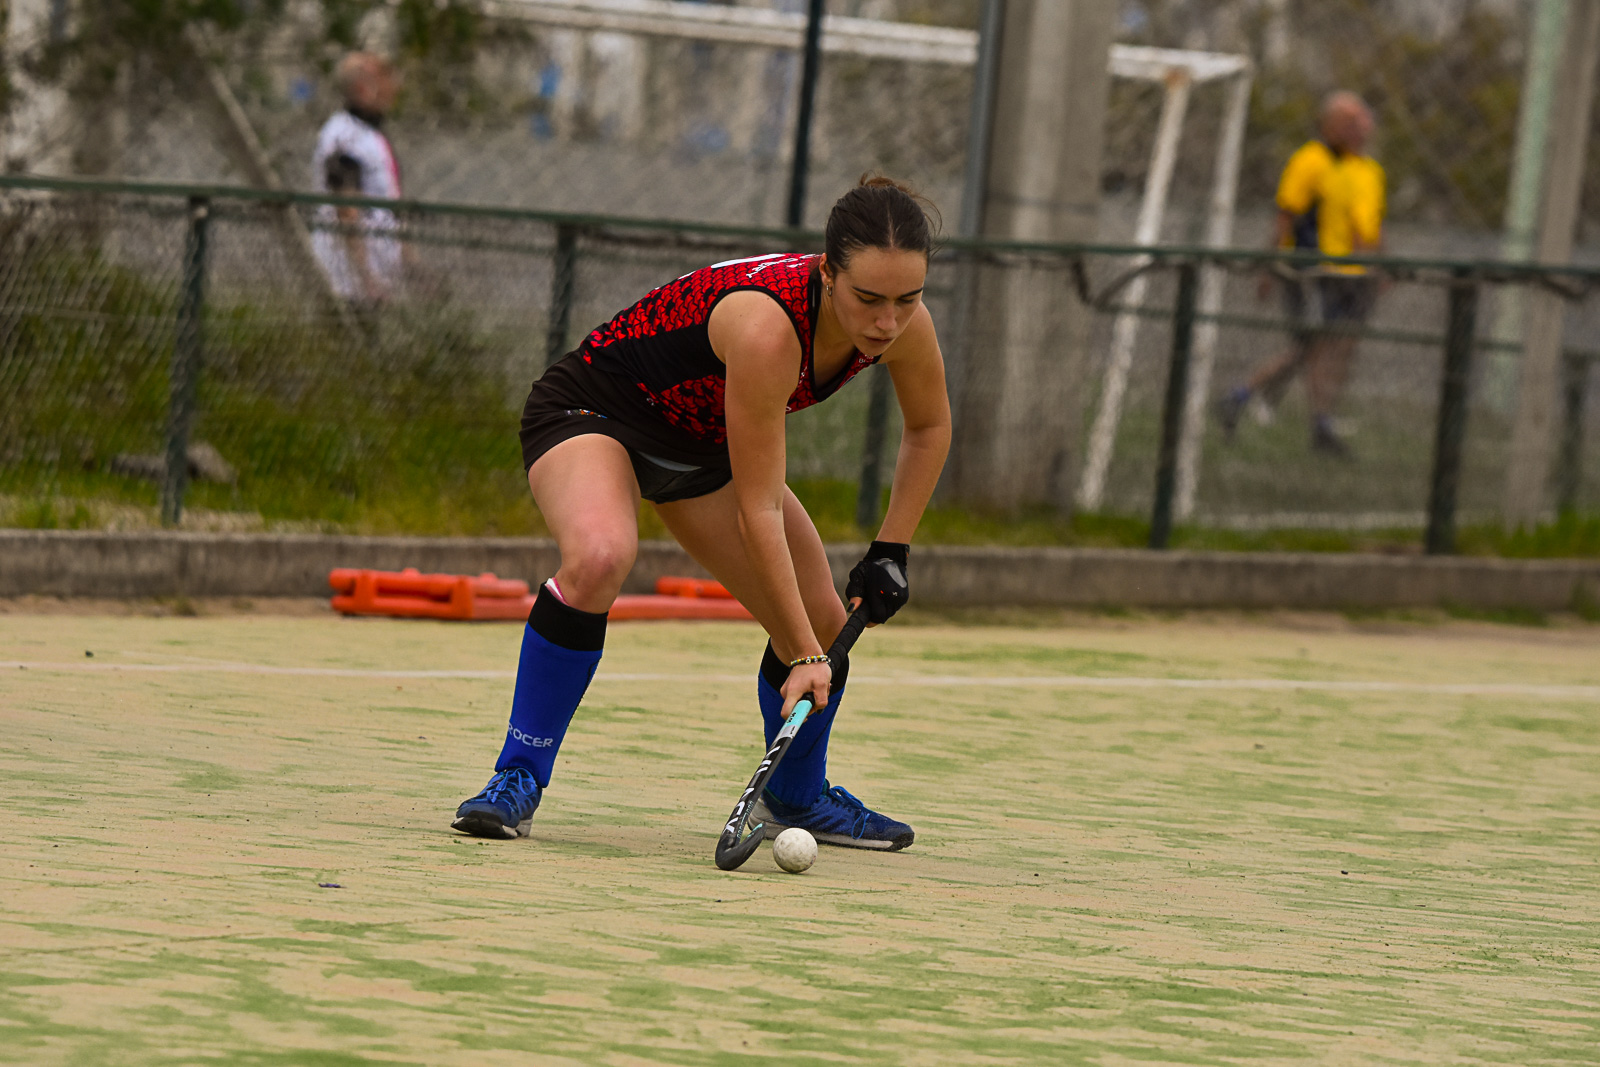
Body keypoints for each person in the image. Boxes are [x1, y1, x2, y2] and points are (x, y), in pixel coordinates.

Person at [451, 177, 952, 851]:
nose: (887, 322)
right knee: (601, 556)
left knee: (826, 616)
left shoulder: (902, 328)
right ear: (827, 272)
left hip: (698, 446)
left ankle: (797, 798)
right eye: (868, 299)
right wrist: (802, 651)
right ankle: (515, 778)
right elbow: (760, 507)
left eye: (906, 299)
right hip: (597, 411)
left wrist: (892, 547)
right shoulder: (769, 328)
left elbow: (928, 426)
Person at [1218, 91, 1385, 456]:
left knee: (1329, 349)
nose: (1358, 129)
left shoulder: (1360, 168)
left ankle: (1310, 420)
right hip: (1310, 271)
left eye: (1360, 122)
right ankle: (1246, 397)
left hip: (1348, 277)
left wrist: (1379, 267)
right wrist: (1268, 267)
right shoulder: (1310, 161)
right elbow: (1285, 215)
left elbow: (1367, 228)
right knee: (1311, 347)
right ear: (1328, 125)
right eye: (1348, 122)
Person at [310, 52, 404, 306]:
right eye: (385, 80)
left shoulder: (370, 135)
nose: (393, 88)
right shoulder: (346, 136)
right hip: (349, 281)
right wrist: (366, 276)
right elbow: (346, 208)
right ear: (363, 89)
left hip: (374, 277)